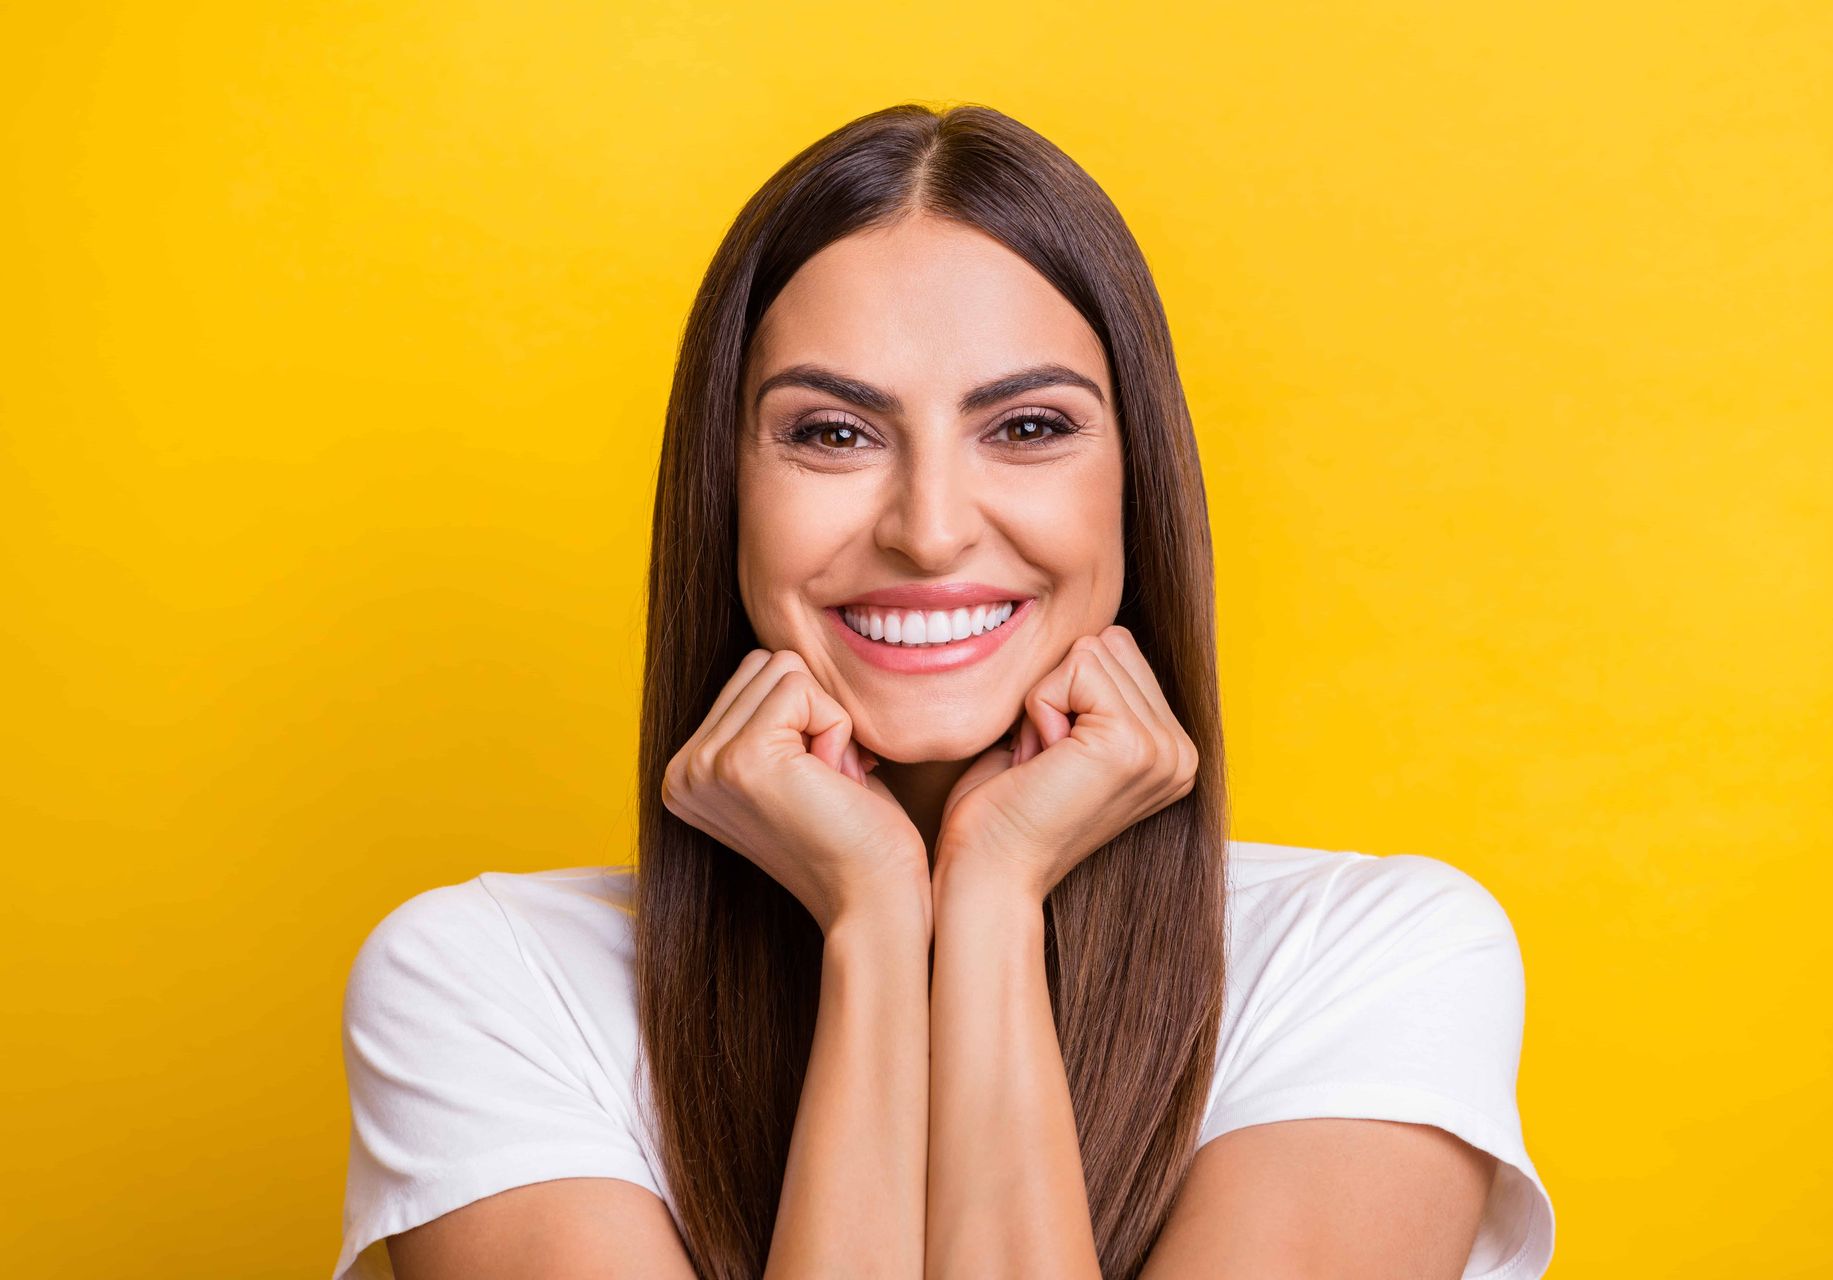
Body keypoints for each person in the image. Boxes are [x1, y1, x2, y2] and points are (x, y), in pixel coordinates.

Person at [334, 102, 1555, 1280]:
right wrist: (874, 922)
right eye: (833, 433)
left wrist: (990, 900)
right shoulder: (486, 984)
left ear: (1135, 487)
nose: (928, 531)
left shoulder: (1372, 963)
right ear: (727, 493)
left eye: (1025, 427)